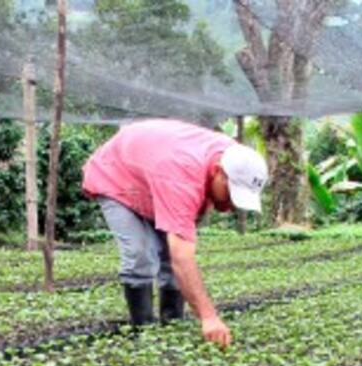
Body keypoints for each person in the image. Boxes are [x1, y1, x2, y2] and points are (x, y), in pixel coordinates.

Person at [82, 118, 269, 348]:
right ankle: (143, 331)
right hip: (116, 175)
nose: (231, 206)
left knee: (169, 255)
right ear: (218, 172)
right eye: (231, 194)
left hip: (155, 175)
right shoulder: (183, 177)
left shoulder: (232, 155)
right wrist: (209, 317)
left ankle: (172, 323)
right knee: (140, 253)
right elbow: (182, 257)